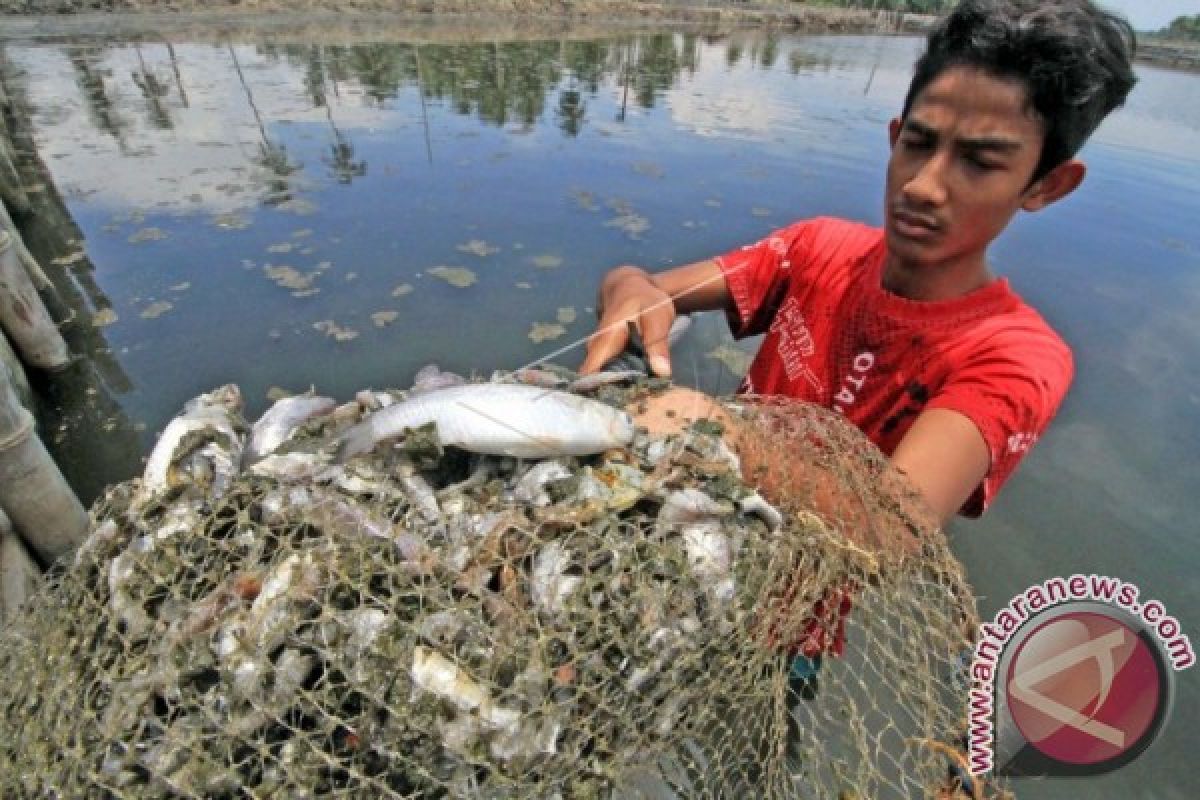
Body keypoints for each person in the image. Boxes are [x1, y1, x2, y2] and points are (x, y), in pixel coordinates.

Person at [581, 0, 1137, 529]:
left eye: (979, 162)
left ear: (1046, 185)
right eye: (918, 144)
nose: (922, 187)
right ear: (895, 138)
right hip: (686, 513)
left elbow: (892, 526)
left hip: (785, 615)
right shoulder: (818, 247)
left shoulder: (1016, 357)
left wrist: (714, 430)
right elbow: (648, 289)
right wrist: (628, 284)